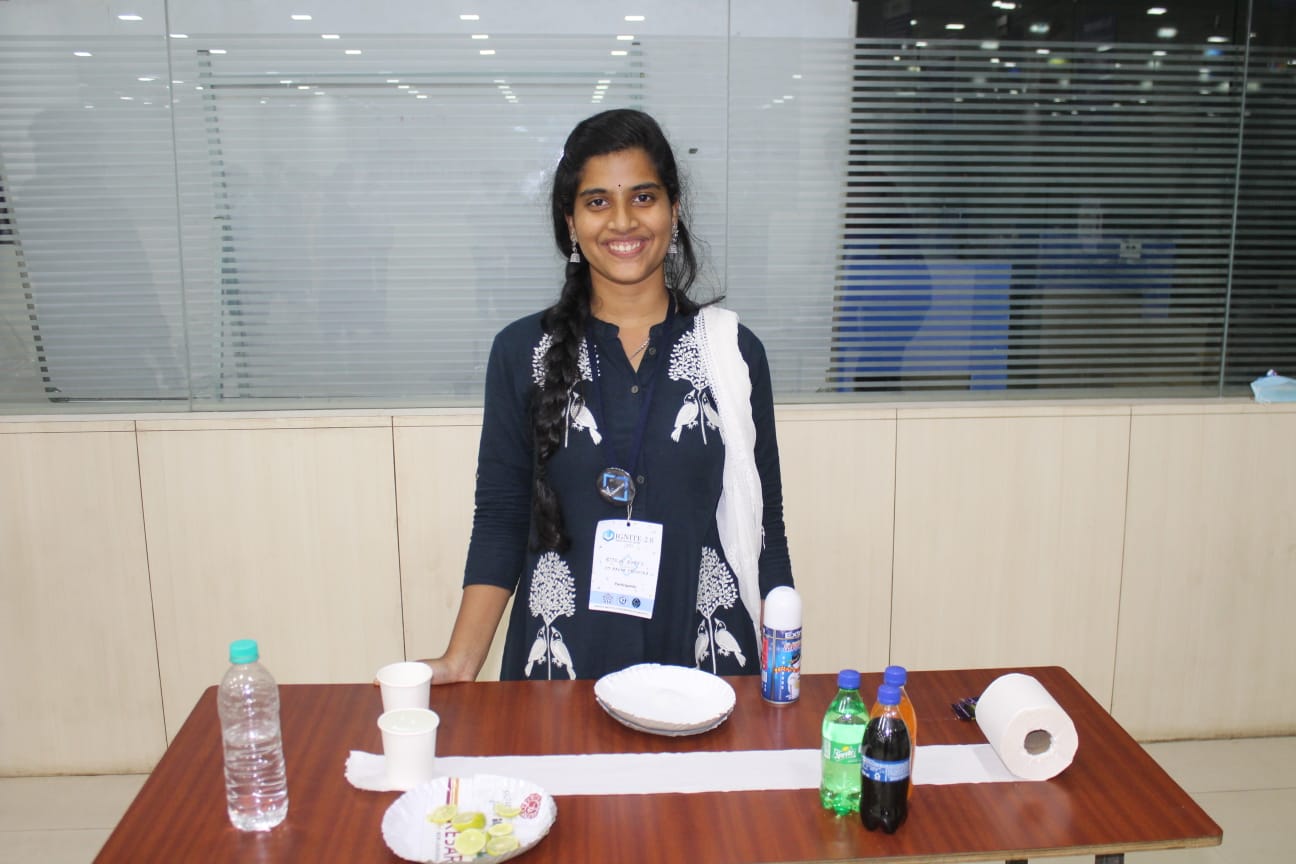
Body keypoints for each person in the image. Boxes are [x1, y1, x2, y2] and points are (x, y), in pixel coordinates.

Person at [425, 108, 793, 683]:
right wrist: (460, 661)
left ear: (674, 209)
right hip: (562, 670)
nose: (623, 221)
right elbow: (501, 517)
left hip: (706, 668)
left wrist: (781, 669)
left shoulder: (732, 352)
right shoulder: (521, 351)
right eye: (597, 202)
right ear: (571, 222)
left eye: (643, 197)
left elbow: (766, 525)